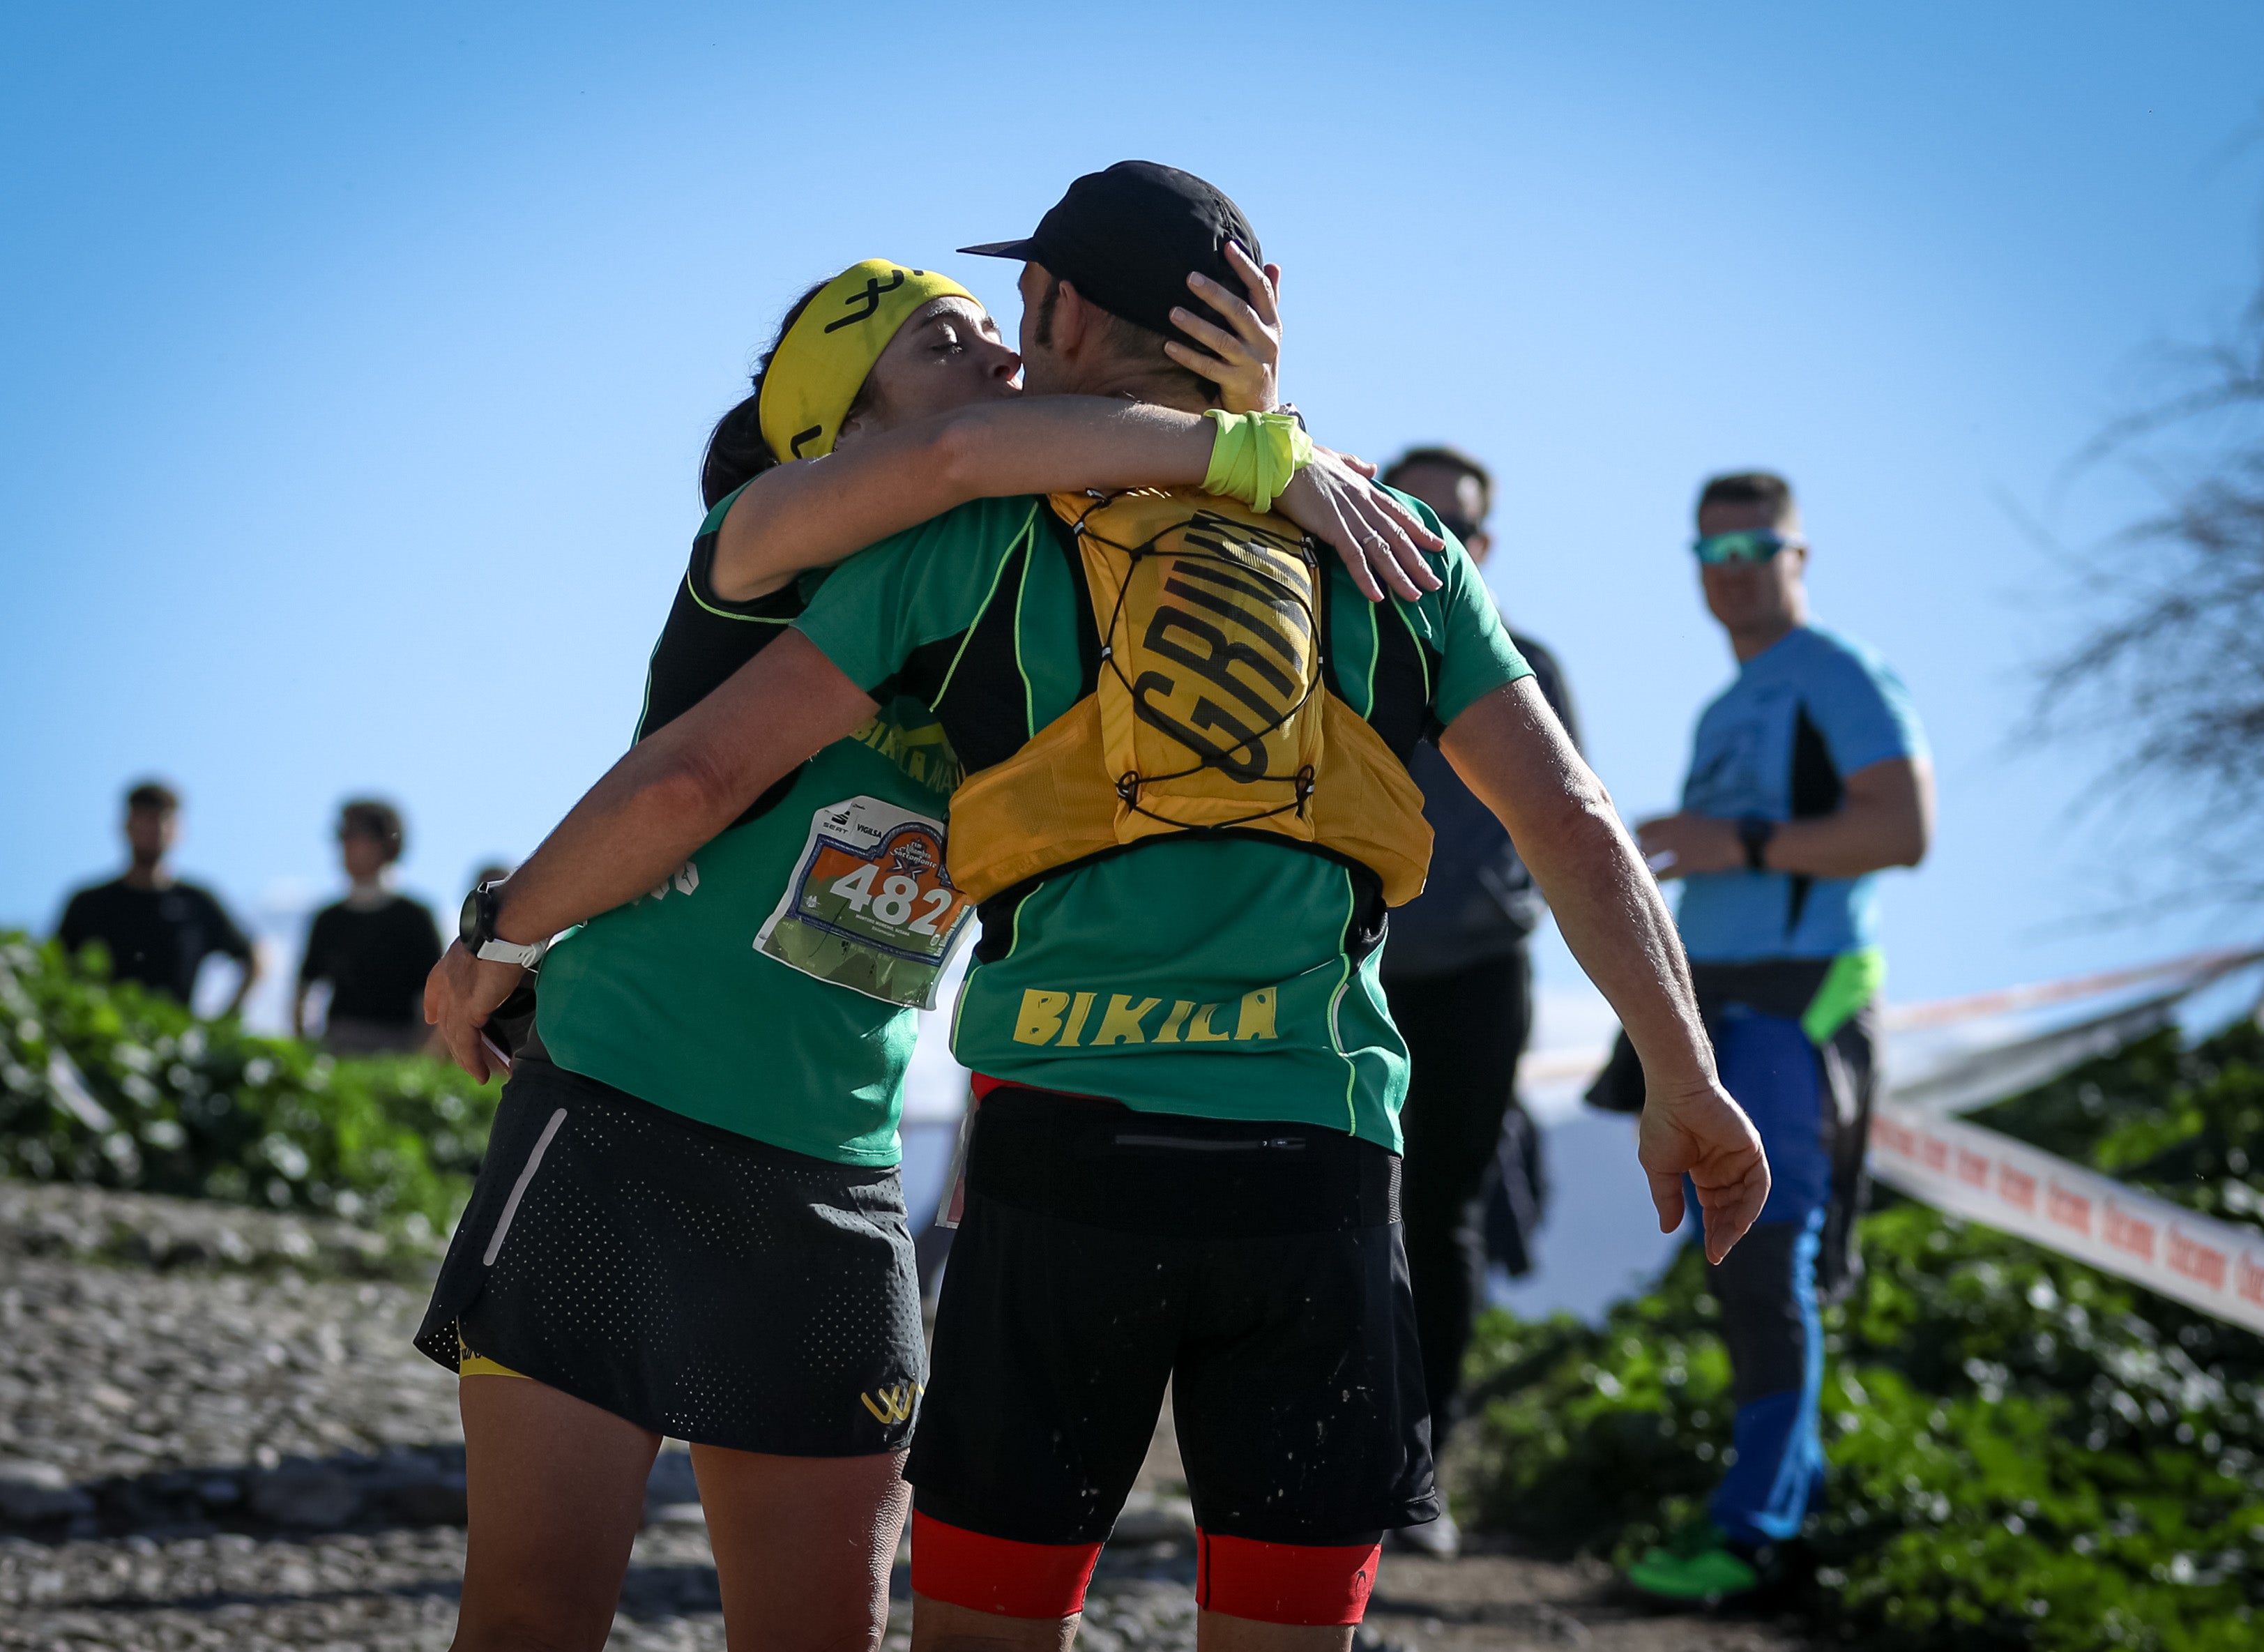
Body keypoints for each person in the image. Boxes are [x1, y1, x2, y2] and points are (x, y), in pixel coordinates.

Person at [428, 161, 1770, 1652]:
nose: (998, 357)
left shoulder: (994, 543)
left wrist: (1253, 444)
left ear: (1061, 311)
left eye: (1002, 322)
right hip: (1257, 1148)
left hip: (926, 1153)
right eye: (941, 339)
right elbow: (1569, 814)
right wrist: (503, 932)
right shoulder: (814, 535)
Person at [1616, 470, 1932, 1600]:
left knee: (1764, 1252)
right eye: (1711, 552)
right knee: (1738, 1258)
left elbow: (1902, 828)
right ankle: (1766, 1516)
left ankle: (1756, 1535)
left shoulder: (1837, 673)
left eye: (1755, 546)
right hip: (1719, 1003)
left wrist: (1732, 841)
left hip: (1803, 999)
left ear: (1799, 554)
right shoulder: (1725, 706)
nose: (1733, 569)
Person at [1373, 446, 1580, 1559]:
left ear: (1483, 546)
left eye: (1454, 521)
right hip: (1342, 972)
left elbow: (1570, 825)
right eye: (1410, 509)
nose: (1432, 531)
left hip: (1475, 985)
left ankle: (1414, 1478)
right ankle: (1305, 1463)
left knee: (1437, 1217)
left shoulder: (1526, 664)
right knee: (1320, 1212)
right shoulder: (1320, 635)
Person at [56, 780, 259, 1013]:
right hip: (96, 1033)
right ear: (127, 826)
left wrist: (226, 1019)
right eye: (145, 819)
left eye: (163, 820)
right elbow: (51, 971)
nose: (154, 829)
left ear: (177, 830)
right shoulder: (88, 905)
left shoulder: (197, 904)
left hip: (173, 1034)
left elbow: (254, 958)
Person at [294, 799, 444, 1054]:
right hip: (337, 1049)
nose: (346, 846)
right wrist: (307, 1051)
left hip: (399, 1049)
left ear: (386, 842)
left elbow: (439, 996)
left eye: (356, 835)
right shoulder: (328, 920)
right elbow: (303, 991)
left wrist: (421, 1057)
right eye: (343, 836)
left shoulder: (414, 918)